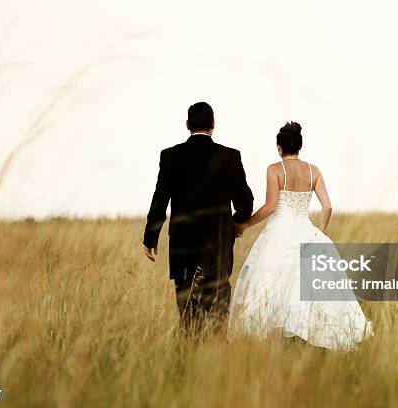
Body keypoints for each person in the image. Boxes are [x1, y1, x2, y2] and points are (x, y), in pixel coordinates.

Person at [228, 121, 372, 350]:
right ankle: (306, 337)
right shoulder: (313, 170)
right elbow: (328, 207)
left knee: (270, 285)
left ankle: (279, 340)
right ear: (300, 145)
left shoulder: (274, 169)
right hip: (306, 230)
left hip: (279, 233)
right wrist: (319, 233)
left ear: (279, 148)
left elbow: (271, 206)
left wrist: (244, 225)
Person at [143, 102, 254, 331]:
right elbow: (246, 202)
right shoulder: (230, 156)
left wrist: (150, 238)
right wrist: (234, 225)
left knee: (187, 312)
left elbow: (160, 200)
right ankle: (215, 358)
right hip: (219, 244)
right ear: (213, 125)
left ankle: (189, 356)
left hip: (183, 245)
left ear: (187, 125)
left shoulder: (170, 156)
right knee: (218, 311)